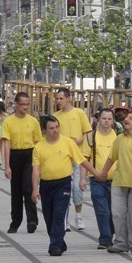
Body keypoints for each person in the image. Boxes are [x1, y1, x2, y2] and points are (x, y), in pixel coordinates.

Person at [32, 117, 101, 256]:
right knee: (49, 217)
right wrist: (35, 188)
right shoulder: (39, 147)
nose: (55, 130)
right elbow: (36, 169)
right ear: (44, 130)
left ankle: (55, 245)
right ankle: (60, 242)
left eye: (57, 127)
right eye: (51, 128)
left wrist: (96, 173)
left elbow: (81, 160)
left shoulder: (67, 142)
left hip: (63, 184)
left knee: (59, 214)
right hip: (46, 185)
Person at [98, 111, 132, 254]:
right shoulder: (119, 138)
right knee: (118, 214)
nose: (126, 120)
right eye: (127, 118)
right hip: (119, 181)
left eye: (131, 118)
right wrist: (103, 173)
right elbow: (111, 158)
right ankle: (120, 243)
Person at [1, 92, 42, 233]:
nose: (25, 107)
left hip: (29, 155)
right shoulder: (8, 121)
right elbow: (6, 143)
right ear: (16, 105)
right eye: (22, 104)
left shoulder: (33, 121)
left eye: (27, 104)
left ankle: (32, 220)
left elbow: (38, 144)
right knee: (16, 191)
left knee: (28, 188)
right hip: (15, 155)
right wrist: (7, 166)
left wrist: (39, 164)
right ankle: (15, 221)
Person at [54, 87, 92, 230]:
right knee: (65, 189)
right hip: (63, 157)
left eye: (61, 98)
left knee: (77, 187)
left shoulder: (79, 113)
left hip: (78, 157)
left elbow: (88, 132)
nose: (58, 101)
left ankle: (79, 216)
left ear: (69, 98)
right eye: (57, 99)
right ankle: (66, 219)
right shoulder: (56, 116)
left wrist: (78, 141)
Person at [82, 108, 118, 249]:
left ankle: (110, 232)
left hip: (116, 180)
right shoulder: (91, 136)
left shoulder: (118, 136)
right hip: (97, 180)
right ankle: (105, 238)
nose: (107, 121)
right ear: (98, 119)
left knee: (113, 211)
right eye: (104, 118)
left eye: (109, 119)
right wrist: (82, 178)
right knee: (102, 210)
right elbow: (85, 158)